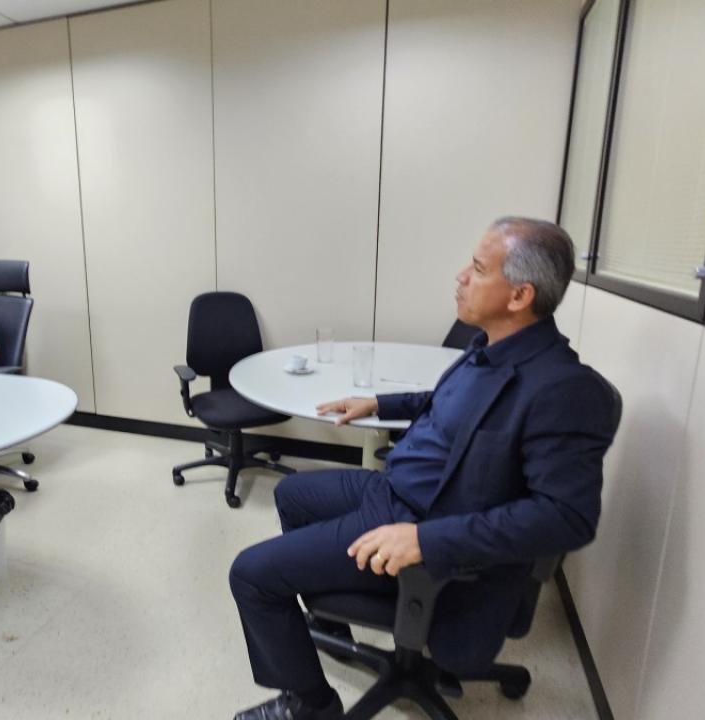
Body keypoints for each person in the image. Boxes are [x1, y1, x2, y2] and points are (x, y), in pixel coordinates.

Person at [229, 217, 618, 720]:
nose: (461, 276)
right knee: (292, 494)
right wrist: (378, 402)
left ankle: (311, 706)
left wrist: (424, 541)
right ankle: (330, 623)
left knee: (251, 575)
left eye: (478, 269)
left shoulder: (563, 389)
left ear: (520, 296)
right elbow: (449, 402)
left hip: (423, 522)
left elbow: (567, 518)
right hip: (395, 488)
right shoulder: (492, 347)